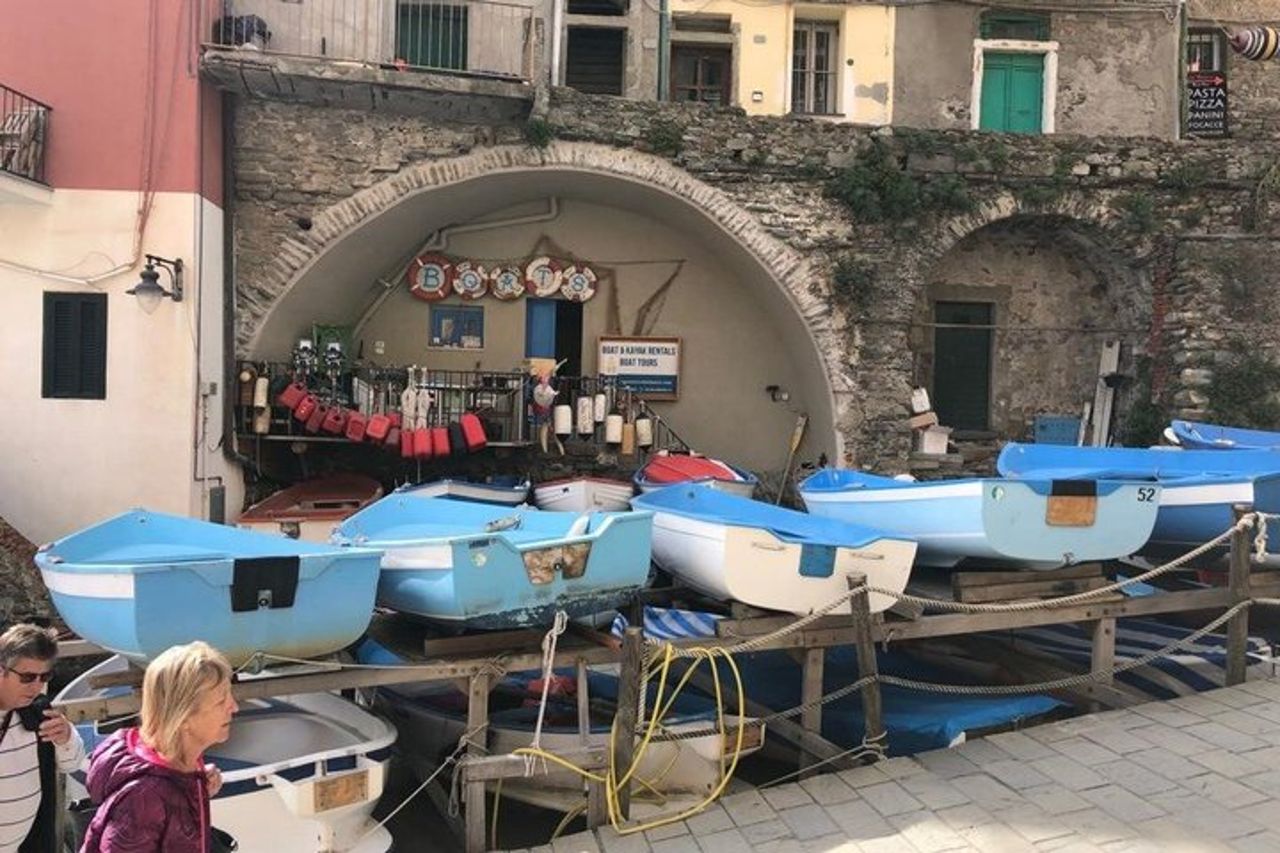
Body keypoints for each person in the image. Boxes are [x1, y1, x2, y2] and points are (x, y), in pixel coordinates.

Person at [80, 641, 238, 853]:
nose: (234, 707)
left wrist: (194, 787)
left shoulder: (179, 768)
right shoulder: (144, 797)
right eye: (221, 701)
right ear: (183, 717)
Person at [0, 623, 84, 853]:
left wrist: (65, 738)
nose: (37, 686)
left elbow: (72, 764)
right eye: (27, 677)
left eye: (44, 676)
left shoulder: (39, 713)